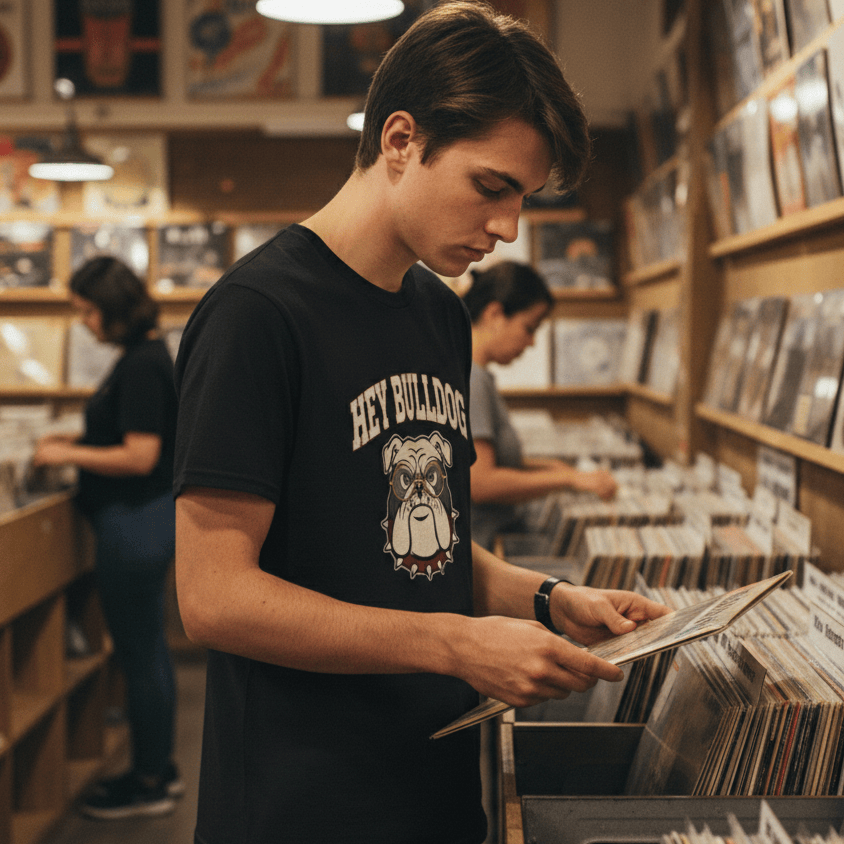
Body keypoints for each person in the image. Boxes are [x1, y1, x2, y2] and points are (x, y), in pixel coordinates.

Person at [173, 4, 670, 843]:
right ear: (401, 141)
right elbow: (214, 597)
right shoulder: (257, 314)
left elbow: (412, 546)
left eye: (523, 198)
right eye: (492, 186)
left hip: (433, 782)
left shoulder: (441, 315)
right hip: (303, 799)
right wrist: (454, 644)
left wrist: (546, 599)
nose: (509, 229)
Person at [32, 256, 182, 819]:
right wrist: (81, 434)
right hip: (144, 521)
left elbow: (140, 454)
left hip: (135, 524)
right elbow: (130, 433)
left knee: (142, 655)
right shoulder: (144, 356)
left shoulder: (142, 362)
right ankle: (155, 770)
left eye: (89, 310)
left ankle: (149, 779)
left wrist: (66, 453)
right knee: (147, 653)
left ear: (114, 306)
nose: (86, 323)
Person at [463, 260, 618, 550]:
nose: (532, 342)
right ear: (495, 314)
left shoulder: (476, 374)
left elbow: (495, 461)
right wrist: (567, 479)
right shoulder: (472, 378)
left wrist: (555, 469)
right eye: (529, 328)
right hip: (483, 546)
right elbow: (481, 482)